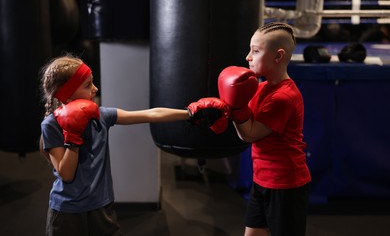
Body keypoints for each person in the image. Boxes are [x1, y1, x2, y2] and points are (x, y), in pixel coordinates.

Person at [39, 54, 228, 236]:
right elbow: (66, 173)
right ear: (68, 95)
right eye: (88, 85)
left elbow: (150, 114)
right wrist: (73, 136)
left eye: (93, 81)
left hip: (101, 206)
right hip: (67, 212)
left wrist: (190, 113)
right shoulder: (51, 126)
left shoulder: (101, 116)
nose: (95, 89)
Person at [218, 22, 311, 236]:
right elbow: (241, 114)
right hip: (262, 179)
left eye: (256, 51)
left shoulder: (283, 97)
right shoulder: (261, 88)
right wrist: (217, 108)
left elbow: (248, 133)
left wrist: (234, 108)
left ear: (278, 56)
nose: (247, 57)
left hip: (286, 184)